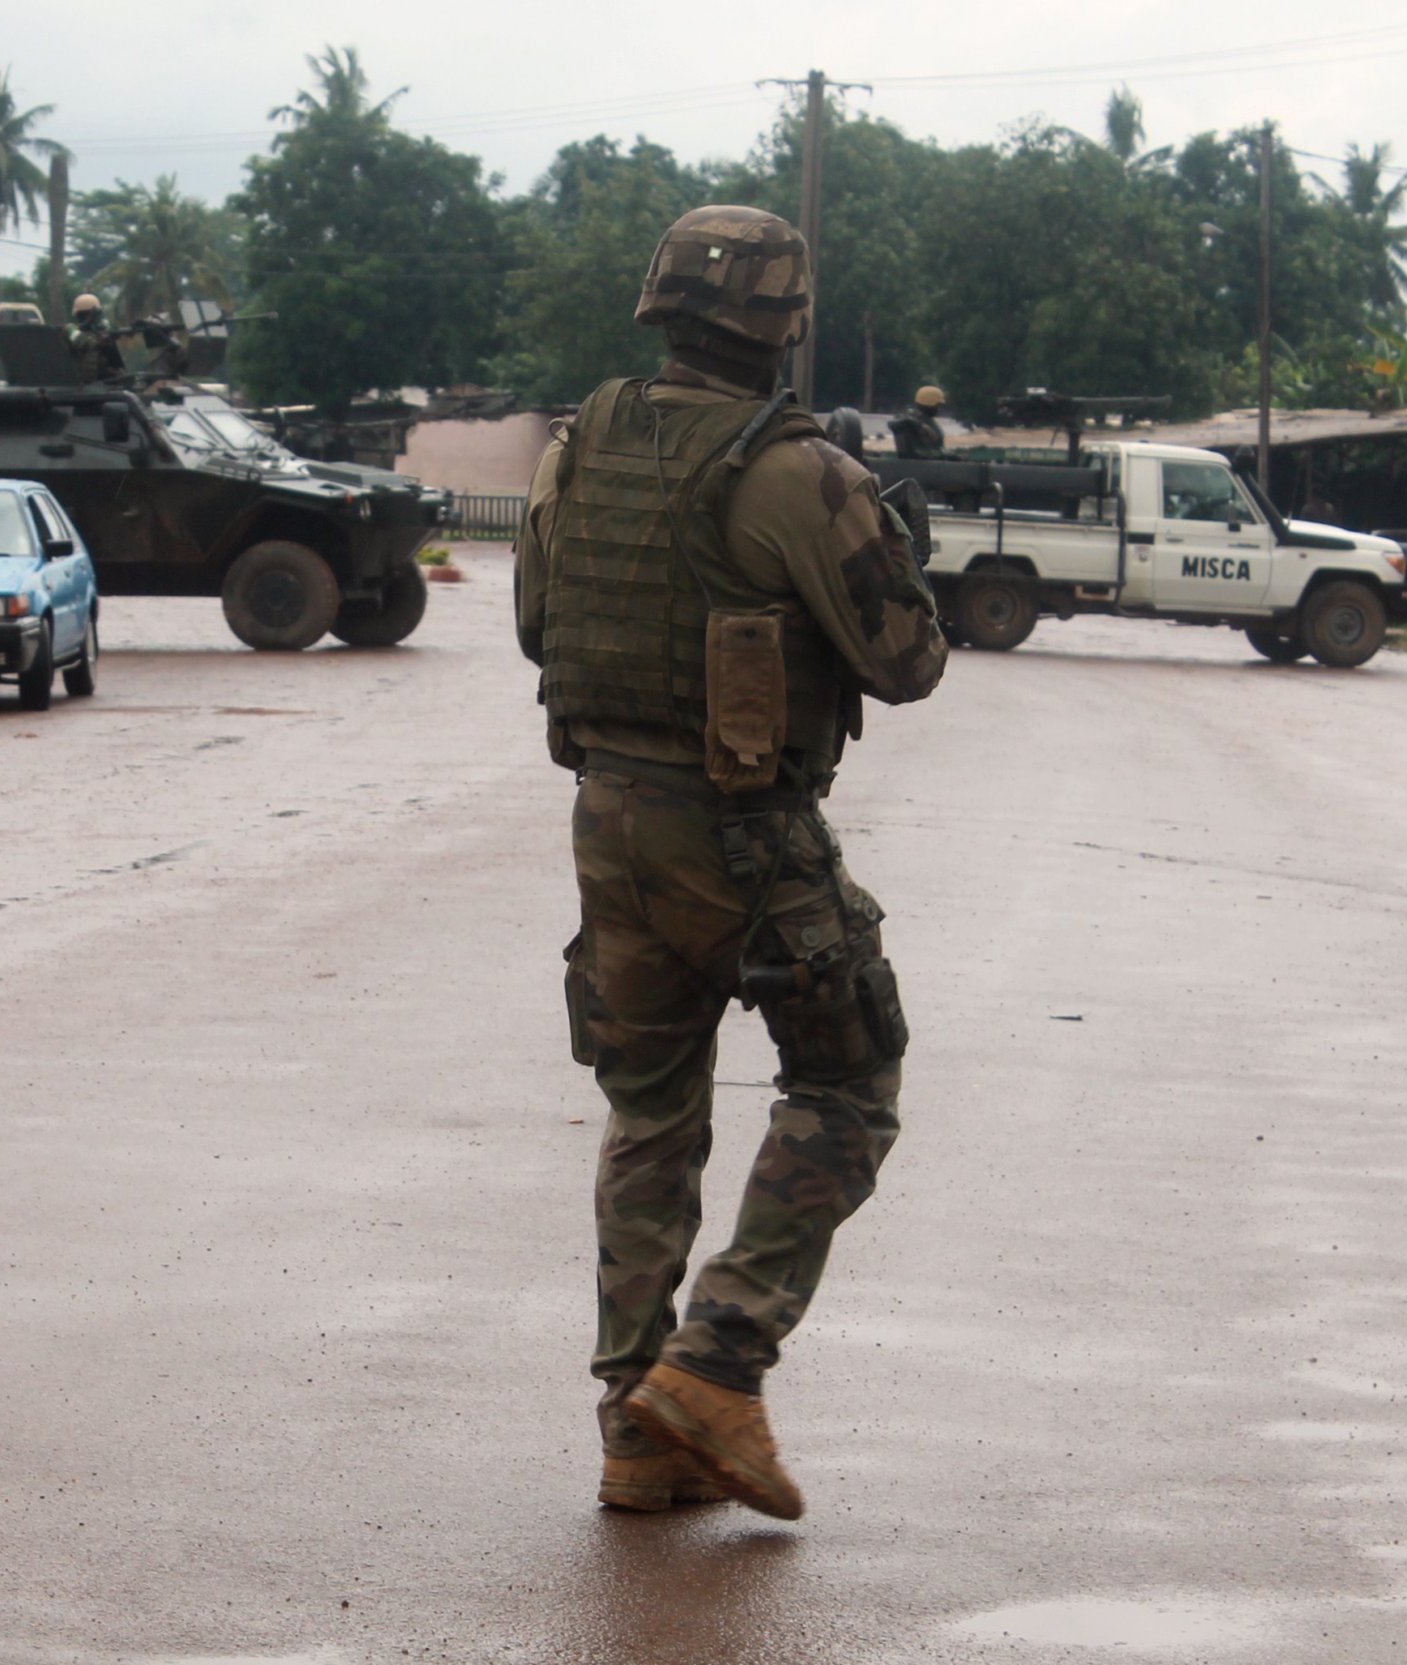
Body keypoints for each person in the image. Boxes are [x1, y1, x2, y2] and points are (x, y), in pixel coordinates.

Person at [514, 205, 948, 1518]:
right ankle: (716, 1363)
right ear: (786, 329)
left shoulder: (579, 450)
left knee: (650, 1108)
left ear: (660, 312)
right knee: (851, 1078)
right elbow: (906, 661)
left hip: (611, 819)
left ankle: (637, 1432)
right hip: (747, 836)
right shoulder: (798, 472)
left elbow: (539, 625)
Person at [67, 294, 125, 383]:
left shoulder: (102, 331)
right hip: (82, 385)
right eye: (87, 315)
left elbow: (117, 364)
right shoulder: (71, 329)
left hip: (105, 383)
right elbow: (81, 341)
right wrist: (98, 342)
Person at [889, 384, 947, 458]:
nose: (939, 409)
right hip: (916, 463)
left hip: (931, 462)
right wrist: (919, 426)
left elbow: (939, 448)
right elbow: (892, 424)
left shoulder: (929, 421)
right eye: (937, 405)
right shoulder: (907, 419)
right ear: (930, 403)